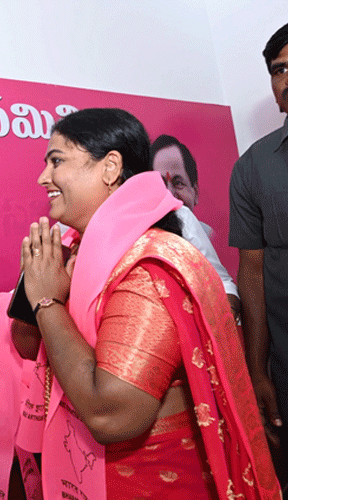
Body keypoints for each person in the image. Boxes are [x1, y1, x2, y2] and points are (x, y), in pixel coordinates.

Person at [0, 108, 280, 499]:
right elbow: (28, 346)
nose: (43, 177)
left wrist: (48, 303)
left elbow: (112, 415)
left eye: (57, 161)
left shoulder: (144, 266)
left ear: (111, 167)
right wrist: (33, 292)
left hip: (151, 482)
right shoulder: (72, 249)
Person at [228, 23, 288, 496]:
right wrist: (257, 369)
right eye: (279, 70)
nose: (287, 80)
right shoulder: (252, 167)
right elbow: (251, 272)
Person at [150, 135, 241, 322]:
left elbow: (223, 285)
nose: (170, 194)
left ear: (196, 193)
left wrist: (225, 316)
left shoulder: (184, 219)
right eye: (160, 184)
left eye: (178, 183)